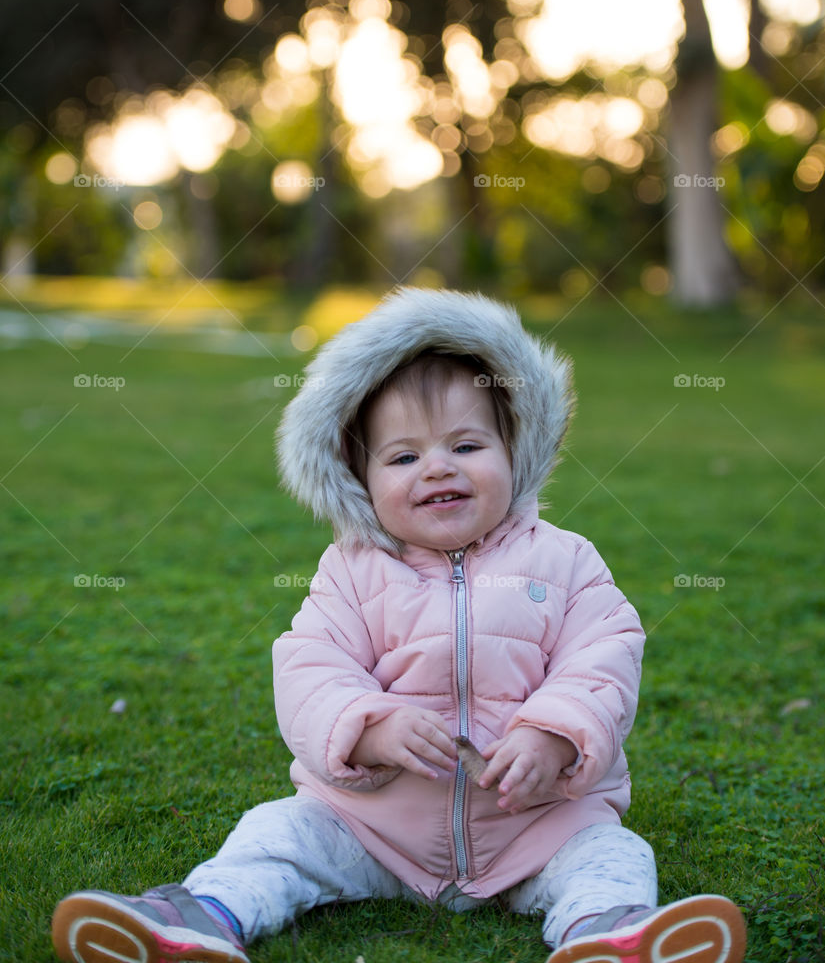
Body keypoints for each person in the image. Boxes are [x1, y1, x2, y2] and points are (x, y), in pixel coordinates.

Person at [52, 287, 747, 963]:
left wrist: (554, 735)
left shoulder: (565, 561)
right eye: (404, 456)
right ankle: (202, 916)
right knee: (280, 832)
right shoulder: (351, 571)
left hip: (535, 822)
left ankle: (609, 931)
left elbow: (604, 656)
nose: (437, 467)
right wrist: (369, 725)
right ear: (358, 479)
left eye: (467, 446)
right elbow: (310, 666)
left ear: (517, 450)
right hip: (374, 826)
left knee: (612, 852)